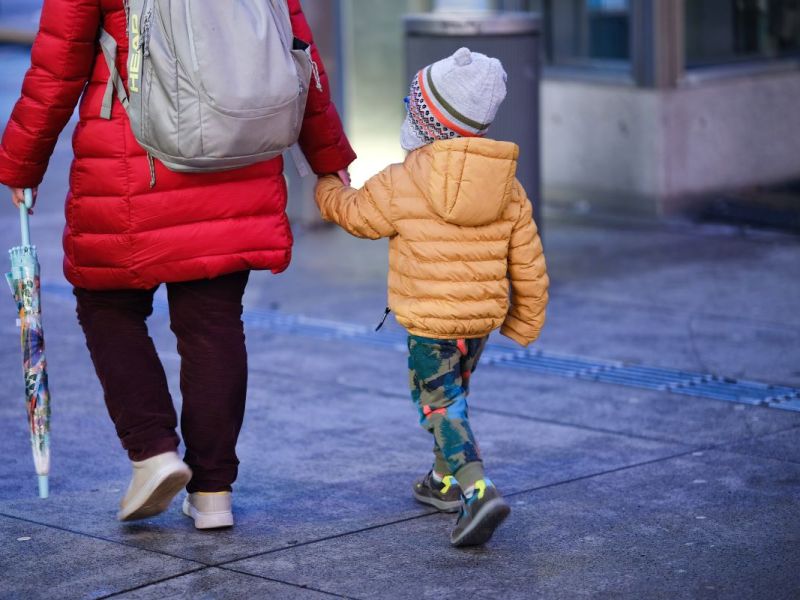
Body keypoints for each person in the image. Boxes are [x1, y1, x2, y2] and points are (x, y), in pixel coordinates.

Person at [0, 0, 354, 529]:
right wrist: (329, 160)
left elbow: (56, 67)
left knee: (107, 305)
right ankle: (214, 492)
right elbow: (300, 53)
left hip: (133, 163)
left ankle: (154, 453)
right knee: (212, 325)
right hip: (241, 158)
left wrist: (21, 164)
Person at [315, 47, 548, 547]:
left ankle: (477, 490)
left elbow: (355, 215)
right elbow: (529, 262)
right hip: (478, 323)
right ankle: (443, 482)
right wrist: (523, 319)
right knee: (455, 399)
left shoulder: (403, 181)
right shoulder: (508, 188)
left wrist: (327, 186)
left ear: (424, 122)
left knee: (438, 405)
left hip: (428, 323)